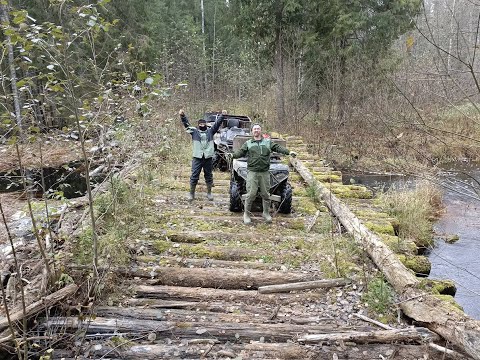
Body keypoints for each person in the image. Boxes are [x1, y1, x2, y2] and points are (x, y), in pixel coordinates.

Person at [231, 123, 296, 224]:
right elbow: (241, 152)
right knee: (251, 194)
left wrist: (288, 152)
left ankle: (266, 213)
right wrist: (233, 155)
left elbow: (278, 148)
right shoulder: (248, 143)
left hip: (264, 172)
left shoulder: (267, 142)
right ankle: (246, 214)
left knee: (266, 194)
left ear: (260, 131)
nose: (256, 130)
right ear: (252, 131)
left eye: (258, 129)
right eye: (255, 129)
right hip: (252, 172)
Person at [180, 109, 226, 202]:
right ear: (198, 125)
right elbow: (187, 125)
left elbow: (217, 124)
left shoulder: (210, 131)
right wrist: (182, 116)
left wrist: (222, 115)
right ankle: (191, 193)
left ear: (206, 124)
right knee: (194, 175)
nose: (202, 125)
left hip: (208, 158)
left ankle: (209, 193)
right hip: (197, 157)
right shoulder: (194, 132)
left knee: (209, 175)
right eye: (200, 124)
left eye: (203, 124)